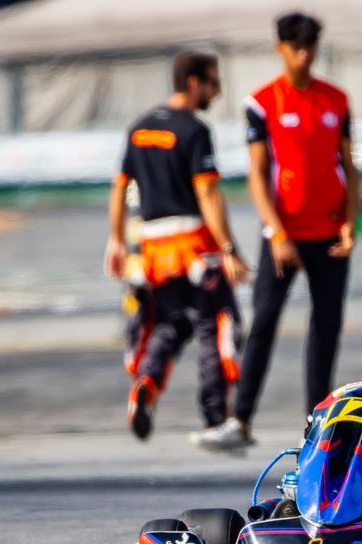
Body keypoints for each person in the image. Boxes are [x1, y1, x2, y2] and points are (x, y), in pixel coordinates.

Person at [195, 12, 358, 449]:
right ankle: (240, 420)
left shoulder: (337, 101)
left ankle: (318, 425)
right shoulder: (263, 102)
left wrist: (349, 223)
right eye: (296, 48)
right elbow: (257, 172)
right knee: (264, 322)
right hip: (283, 237)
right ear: (280, 48)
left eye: (310, 48)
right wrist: (277, 232)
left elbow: (348, 165)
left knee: (326, 327)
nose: (304, 57)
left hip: (328, 235)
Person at [104, 51, 249, 441]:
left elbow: (119, 189)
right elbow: (208, 194)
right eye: (213, 84)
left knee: (168, 324)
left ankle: (146, 383)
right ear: (193, 82)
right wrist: (230, 250)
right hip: (193, 246)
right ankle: (216, 418)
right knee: (216, 325)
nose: (216, 93)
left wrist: (116, 240)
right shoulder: (194, 130)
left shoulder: (139, 128)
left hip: (152, 250)